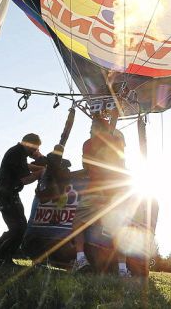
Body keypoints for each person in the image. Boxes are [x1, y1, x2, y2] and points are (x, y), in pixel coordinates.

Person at [72, 117, 131, 277]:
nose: (90, 131)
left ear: (97, 128)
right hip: (114, 192)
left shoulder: (87, 144)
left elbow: (85, 166)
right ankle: (122, 269)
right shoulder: (116, 141)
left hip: (96, 190)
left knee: (78, 221)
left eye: (92, 127)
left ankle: (80, 258)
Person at [0, 133, 44, 266]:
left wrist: (41, 167)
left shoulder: (17, 152)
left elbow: (25, 166)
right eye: (34, 148)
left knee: (18, 227)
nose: (35, 151)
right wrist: (42, 173)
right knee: (18, 228)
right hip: (6, 193)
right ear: (28, 144)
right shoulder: (17, 153)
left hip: (8, 193)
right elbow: (25, 180)